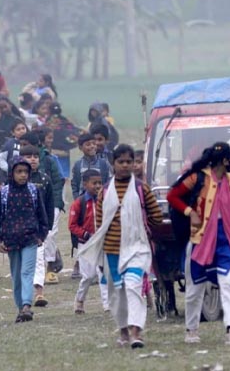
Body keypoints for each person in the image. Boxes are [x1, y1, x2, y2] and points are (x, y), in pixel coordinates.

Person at [167, 142, 230, 346]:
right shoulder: (198, 177)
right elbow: (173, 196)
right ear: (224, 161)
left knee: (228, 283)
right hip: (200, 240)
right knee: (195, 287)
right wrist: (190, 212)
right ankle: (192, 330)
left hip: (225, 241)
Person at [78, 144, 163, 349]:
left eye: (129, 161)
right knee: (118, 294)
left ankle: (136, 332)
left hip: (137, 248)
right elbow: (100, 224)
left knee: (134, 287)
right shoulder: (105, 191)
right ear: (113, 164)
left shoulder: (142, 189)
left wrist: (144, 230)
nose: (125, 165)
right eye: (121, 162)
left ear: (134, 163)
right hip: (111, 251)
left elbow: (156, 216)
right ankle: (123, 331)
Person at [0, 157, 49, 323]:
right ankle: (20, 309)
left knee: (26, 272)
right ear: (12, 173)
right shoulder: (4, 193)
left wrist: (41, 236)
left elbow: (42, 216)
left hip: (30, 239)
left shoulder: (34, 191)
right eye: (19, 172)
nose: (23, 175)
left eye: (25, 172)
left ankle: (26, 305)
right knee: (16, 275)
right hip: (11, 240)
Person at [19, 145, 55, 307]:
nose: (32, 159)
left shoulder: (45, 179)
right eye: (28, 156)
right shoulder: (13, 181)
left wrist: (46, 228)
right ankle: (22, 293)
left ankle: (39, 293)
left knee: (39, 260)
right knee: (21, 263)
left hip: (38, 229)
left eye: (35, 156)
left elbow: (49, 205)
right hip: (18, 229)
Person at [69, 169, 109, 314]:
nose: (98, 186)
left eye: (100, 182)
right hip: (85, 244)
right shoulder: (79, 203)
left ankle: (107, 305)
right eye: (94, 183)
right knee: (88, 276)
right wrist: (86, 234)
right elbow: (72, 225)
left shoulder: (105, 200)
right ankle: (79, 301)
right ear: (85, 184)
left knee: (104, 273)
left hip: (102, 242)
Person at [71, 133, 112, 199]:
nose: (92, 146)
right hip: (83, 200)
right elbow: (75, 184)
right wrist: (77, 198)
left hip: (100, 200)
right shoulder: (78, 165)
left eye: (94, 143)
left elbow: (109, 181)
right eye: (88, 144)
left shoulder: (103, 163)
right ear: (80, 148)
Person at [0, 119, 28, 190]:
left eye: (23, 128)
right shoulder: (9, 144)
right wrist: (10, 170)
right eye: (18, 129)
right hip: (11, 180)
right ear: (13, 132)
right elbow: (0, 160)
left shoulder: (31, 142)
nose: (21, 131)